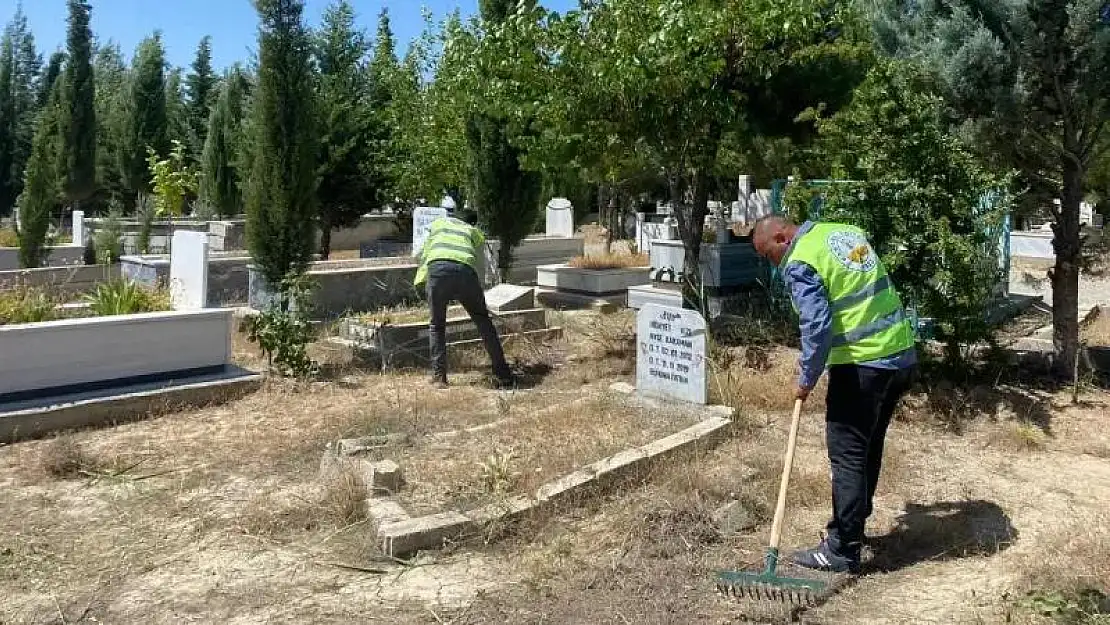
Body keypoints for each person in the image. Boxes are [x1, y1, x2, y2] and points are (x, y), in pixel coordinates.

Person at [751, 215, 918, 574]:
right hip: (899, 356)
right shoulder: (842, 231)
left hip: (862, 366)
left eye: (769, 255)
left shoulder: (800, 261)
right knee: (867, 446)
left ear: (782, 238)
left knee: (847, 456)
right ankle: (855, 523)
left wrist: (806, 378)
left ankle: (842, 548)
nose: (773, 263)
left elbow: (817, 324)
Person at [414, 209, 515, 390]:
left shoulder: (438, 225)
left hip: (436, 271)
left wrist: (424, 281)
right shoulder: (474, 232)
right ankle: (503, 373)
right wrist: (478, 296)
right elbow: (479, 264)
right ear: (471, 223)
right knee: (483, 322)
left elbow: (421, 253)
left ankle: (439, 378)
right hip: (465, 272)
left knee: (437, 326)